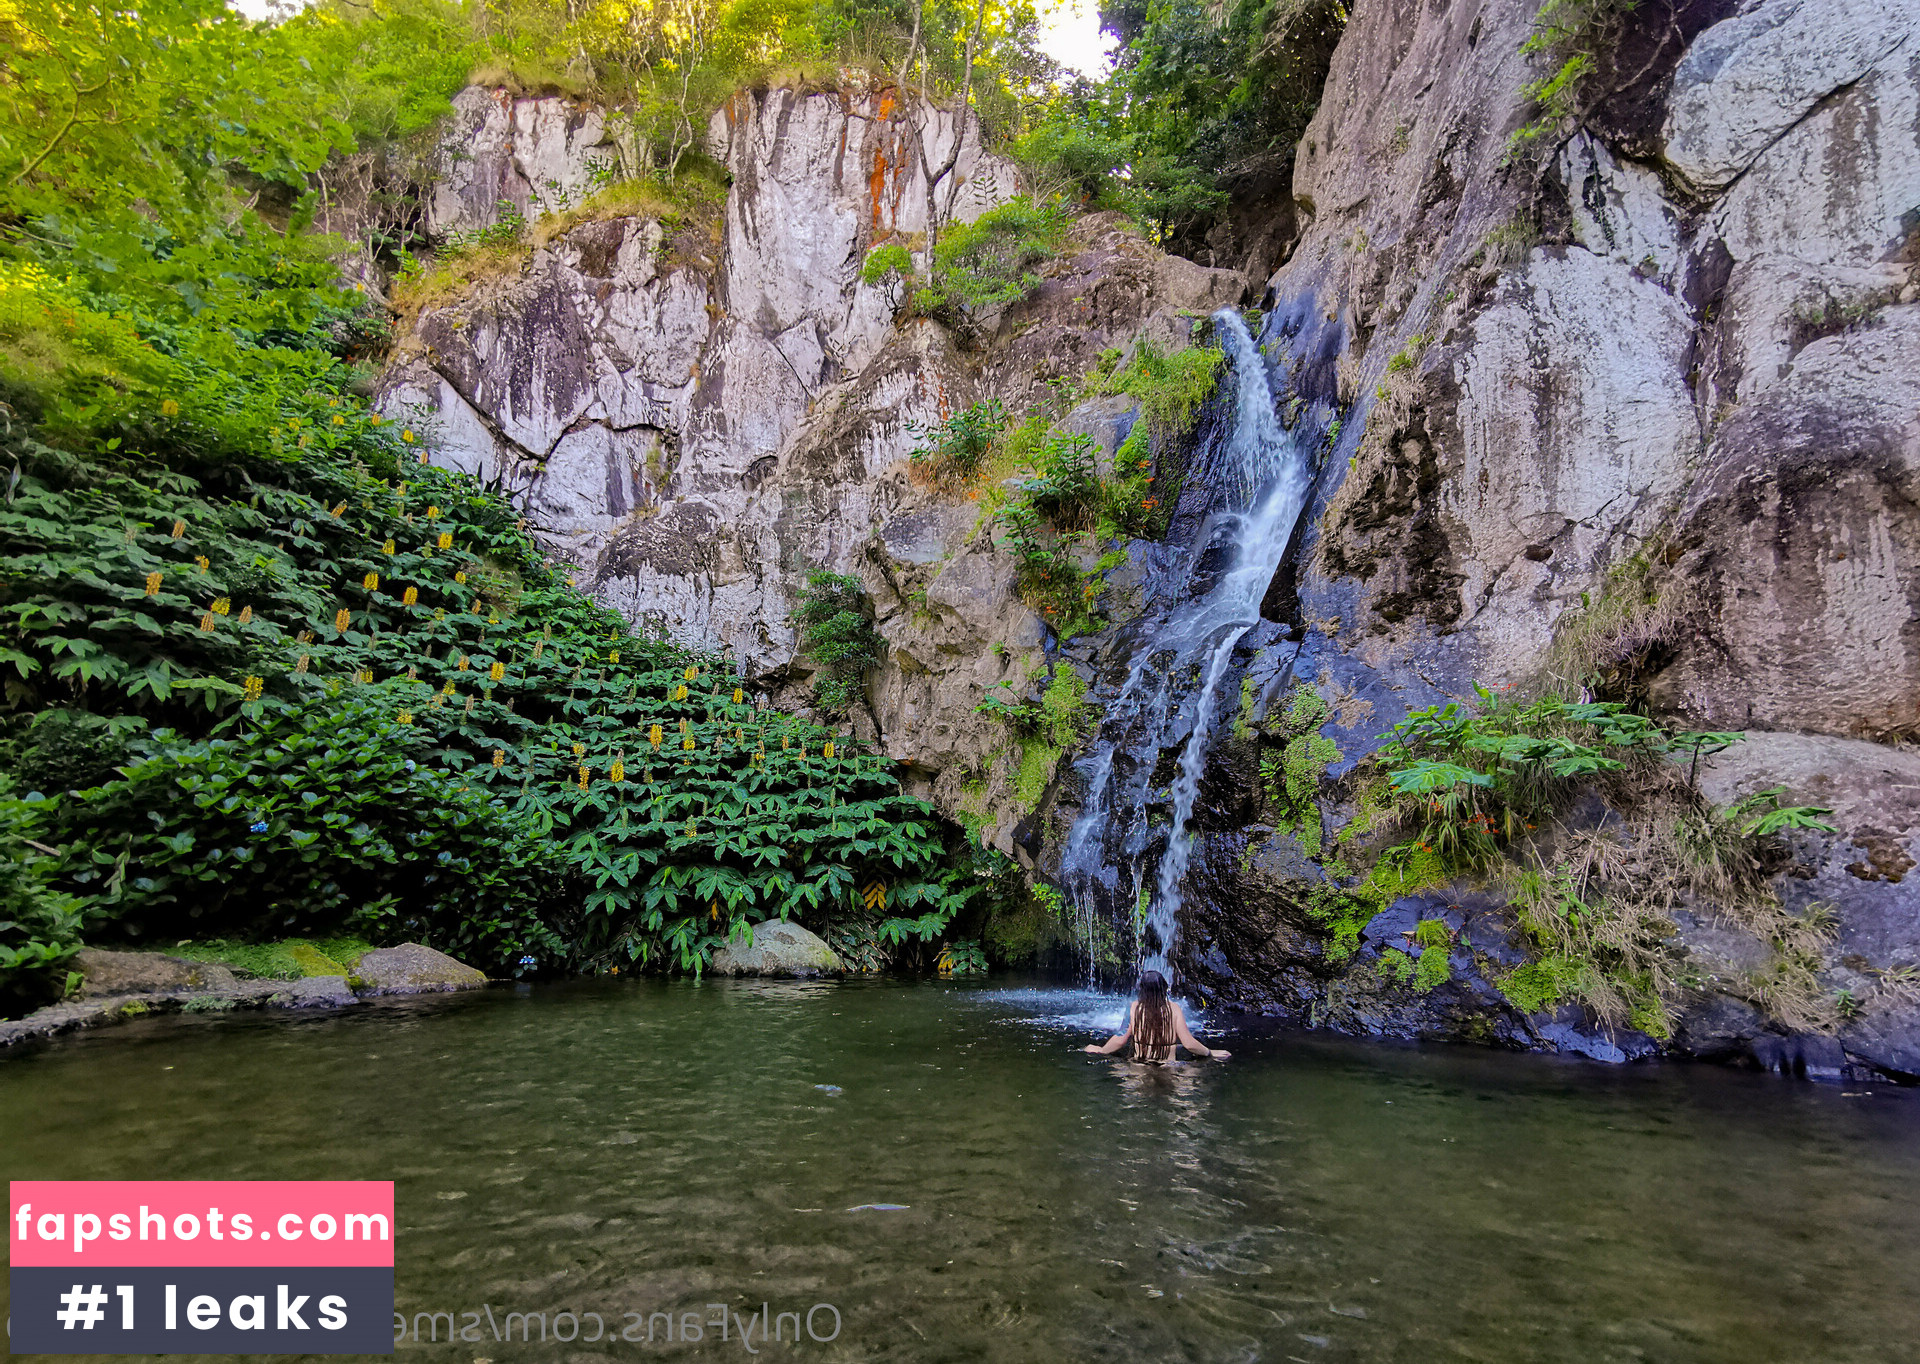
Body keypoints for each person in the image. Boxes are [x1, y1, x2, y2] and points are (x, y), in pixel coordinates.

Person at [1082, 970, 1229, 1063]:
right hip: (1168, 1066)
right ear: (1165, 988)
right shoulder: (1174, 1009)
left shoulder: (1134, 1007)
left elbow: (1120, 1039)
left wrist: (1101, 1050)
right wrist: (1210, 1052)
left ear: (1142, 990)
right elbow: (1189, 1044)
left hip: (1139, 1065)